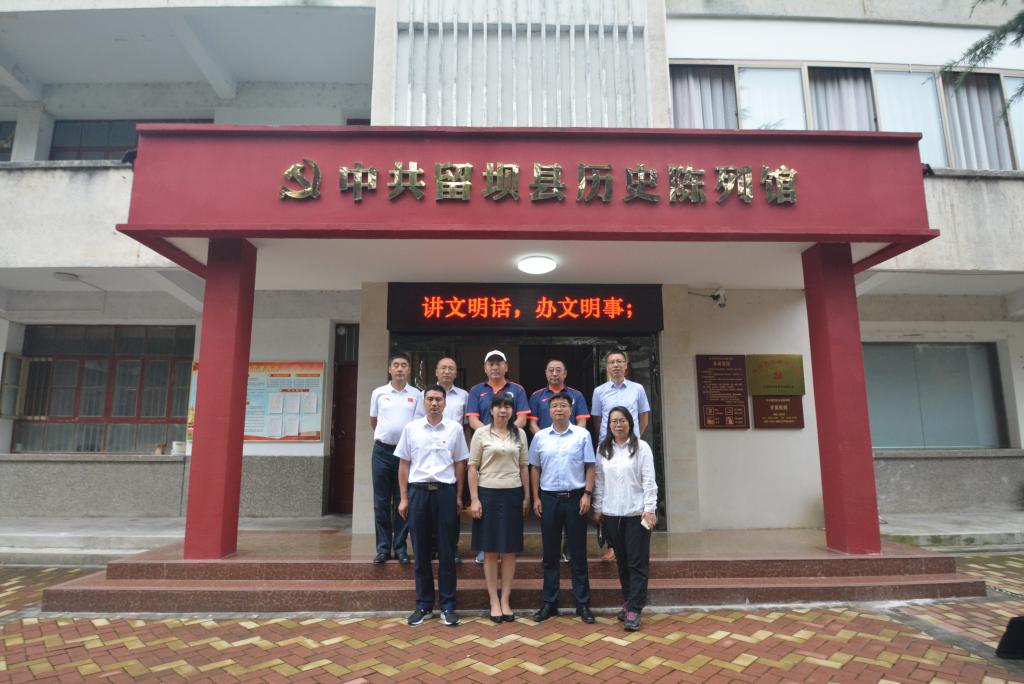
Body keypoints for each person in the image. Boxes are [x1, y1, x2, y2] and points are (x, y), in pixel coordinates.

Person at [396, 384, 469, 627]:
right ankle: (424, 605)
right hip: (418, 493)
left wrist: (459, 496)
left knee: (447, 551)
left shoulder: (455, 429)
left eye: (439, 399)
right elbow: (404, 464)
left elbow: (460, 464)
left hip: (445, 493)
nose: (434, 403)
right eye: (430, 399)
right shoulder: (411, 429)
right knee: (421, 551)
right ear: (424, 402)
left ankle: (448, 605)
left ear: (445, 403)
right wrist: (404, 497)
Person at [528, 392, 597, 624]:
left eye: (563, 405)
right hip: (549, 499)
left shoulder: (582, 435)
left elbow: (590, 466)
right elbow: (535, 468)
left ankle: (583, 603)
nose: (559, 409)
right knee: (550, 554)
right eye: (555, 406)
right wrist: (536, 497)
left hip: (576, 498)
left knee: (578, 553)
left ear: (571, 409)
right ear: (549, 411)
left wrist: (587, 494)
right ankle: (550, 602)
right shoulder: (540, 437)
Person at [592, 407, 658, 632]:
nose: (618, 425)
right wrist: (598, 507)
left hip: (636, 513)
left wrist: (650, 509)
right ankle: (629, 602)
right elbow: (599, 480)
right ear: (608, 425)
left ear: (630, 423)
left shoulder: (642, 447)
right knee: (622, 562)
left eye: (622, 421)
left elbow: (649, 481)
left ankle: (635, 610)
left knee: (637, 563)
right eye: (614, 421)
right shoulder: (603, 449)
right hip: (612, 514)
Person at [468, 393, 530, 622]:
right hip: (488, 495)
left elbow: (524, 466)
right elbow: (472, 467)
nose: (503, 411)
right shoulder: (481, 433)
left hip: (513, 493)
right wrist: (474, 499)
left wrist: (527, 496)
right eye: (499, 407)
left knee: (510, 550)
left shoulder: (520, 434)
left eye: (507, 407)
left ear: (512, 411)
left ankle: (505, 600)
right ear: (491, 410)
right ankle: (493, 600)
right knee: (491, 550)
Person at [466, 349, 530, 562]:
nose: (495, 367)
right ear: (485, 368)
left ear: (506, 367)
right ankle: (487, 547)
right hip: (486, 445)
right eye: (491, 364)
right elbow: (473, 420)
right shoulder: (476, 390)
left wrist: (508, 433)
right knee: (487, 504)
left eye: (499, 363)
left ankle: (506, 548)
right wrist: (490, 434)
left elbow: (522, 418)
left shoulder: (517, 390)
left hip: (511, 443)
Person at [528, 358, 594, 562]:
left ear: (565, 373)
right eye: (551, 370)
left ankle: (569, 548)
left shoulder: (577, 395)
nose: (554, 374)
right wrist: (547, 439)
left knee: (576, 541)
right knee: (550, 541)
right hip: (546, 448)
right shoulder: (537, 396)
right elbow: (532, 424)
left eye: (558, 370)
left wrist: (570, 438)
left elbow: (582, 421)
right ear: (546, 373)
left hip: (572, 448)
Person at [369, 353, 423, 565]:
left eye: (404, 365)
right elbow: (374, 421)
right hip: (382, 452)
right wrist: (387, 436)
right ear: (389, 369)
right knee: (381, 502)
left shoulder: (416, 394)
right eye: (396, 365)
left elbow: (417, 424)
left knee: (403, 500)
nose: (400, 369)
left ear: (409, 370)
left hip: (405, 455)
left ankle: (400, 547)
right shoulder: (378, 393)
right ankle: (383, 548)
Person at [435, 356, 469, 563]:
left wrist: (466, 457)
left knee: (454, 502)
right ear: (436, 372)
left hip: (454, 454)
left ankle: (451, 547)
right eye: (443, 368)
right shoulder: (426, 395)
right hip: (430, 456)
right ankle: (432, 547)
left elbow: (466, 427)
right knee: (431, 505)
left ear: (456, 373)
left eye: (451, 368)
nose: (447, 371)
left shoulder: (464, 396)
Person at [591, 350, 651, 443]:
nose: (616, 365)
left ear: (626, 365)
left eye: (619, 361)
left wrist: (635, 437)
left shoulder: (638, 388)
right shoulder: (598, 391)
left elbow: (644, 419)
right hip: (608, 444)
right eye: (612, 362)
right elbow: (597, 421)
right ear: (607, 367)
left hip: (632, 443)